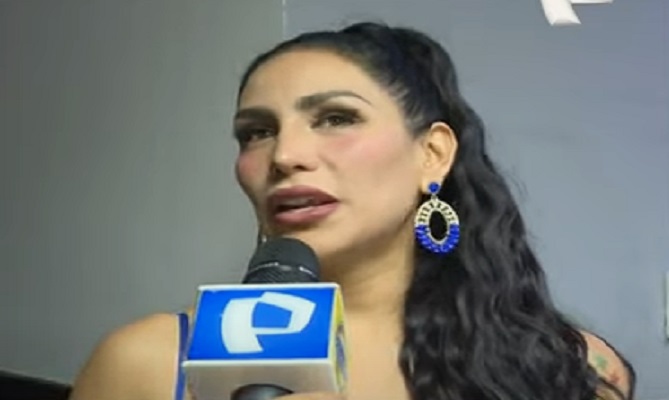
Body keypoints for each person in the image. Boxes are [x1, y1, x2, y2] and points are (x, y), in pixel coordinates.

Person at [69, 22, 635, 400]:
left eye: (336, 118)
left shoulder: (573, 367)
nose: (284, 156)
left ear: (433, 155)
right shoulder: (145, 363)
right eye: (256, 132)